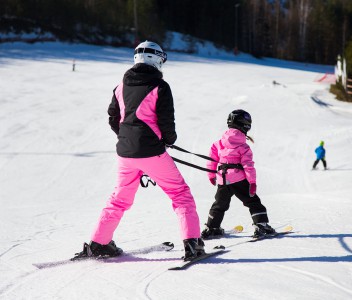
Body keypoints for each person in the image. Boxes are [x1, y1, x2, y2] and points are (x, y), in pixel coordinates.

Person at [74, 41, 205, 261]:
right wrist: (167, 141)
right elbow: (167, 123)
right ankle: (193, 244)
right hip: (152, 152)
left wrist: (128, 138)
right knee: (181, 195)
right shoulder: (160, 87)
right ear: (156, 59)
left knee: (118, 199)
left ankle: (99, 243)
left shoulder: (120, 86)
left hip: (125, 153)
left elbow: (113, 119)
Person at [201, 109, 276, 239]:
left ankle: (212, 228)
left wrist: (211, 175)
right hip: (238, 179)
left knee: (219, 204)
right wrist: (252, 182)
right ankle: (261, 225)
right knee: (253, 201)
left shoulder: (218, 143)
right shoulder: (243, 146)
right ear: (246, 125)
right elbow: (248, 165)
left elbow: (212, 159)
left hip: (222, 180)